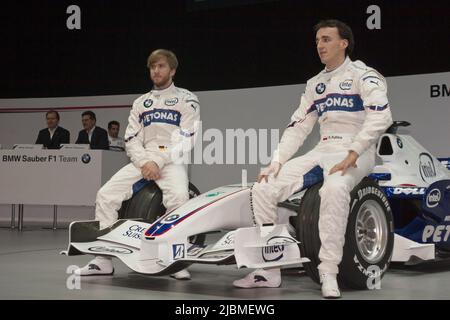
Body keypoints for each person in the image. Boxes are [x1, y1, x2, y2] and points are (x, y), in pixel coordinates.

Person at [233, 20, 393, 298]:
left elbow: (381, 115)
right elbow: (299, 126)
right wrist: (278, 161)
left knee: (334, 189)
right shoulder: (315, 84)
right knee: (264, 187)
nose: (320, 45)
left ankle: (328, 272)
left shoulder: (364, 74)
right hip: (323, 149)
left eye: (327, 39)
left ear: (344, 43)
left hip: (357, 151)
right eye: (318, 40)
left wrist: (354, 151)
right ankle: (269, 270)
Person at [75, 49, 200, 280]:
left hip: (171, 159)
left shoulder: (187, 98)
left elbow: (187, 137)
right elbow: (131, 138)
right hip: (143, 159)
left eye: (161, 66)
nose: (156, 71)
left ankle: (175, 260)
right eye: (152, 67)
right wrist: (145, 161)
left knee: (180, 199)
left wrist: (158, 160)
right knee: (105, 195)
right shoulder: (141, 102)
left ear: (172, 70)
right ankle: (103, 259)